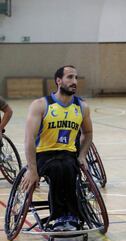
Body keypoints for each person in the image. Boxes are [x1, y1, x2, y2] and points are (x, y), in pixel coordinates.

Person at [21, 65, 93, 231]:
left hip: (67, 153)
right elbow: (29, 139)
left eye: (76, 77)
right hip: (44, 154)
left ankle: (72, 216)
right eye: (70, 77)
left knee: (69, 166)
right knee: (57, 168)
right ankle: (59, 216)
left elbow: (88, 133)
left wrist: (82, 155)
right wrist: (32, 169)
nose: (74, 81)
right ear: (58, 81)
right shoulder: (41, 105)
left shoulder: (82, 107)